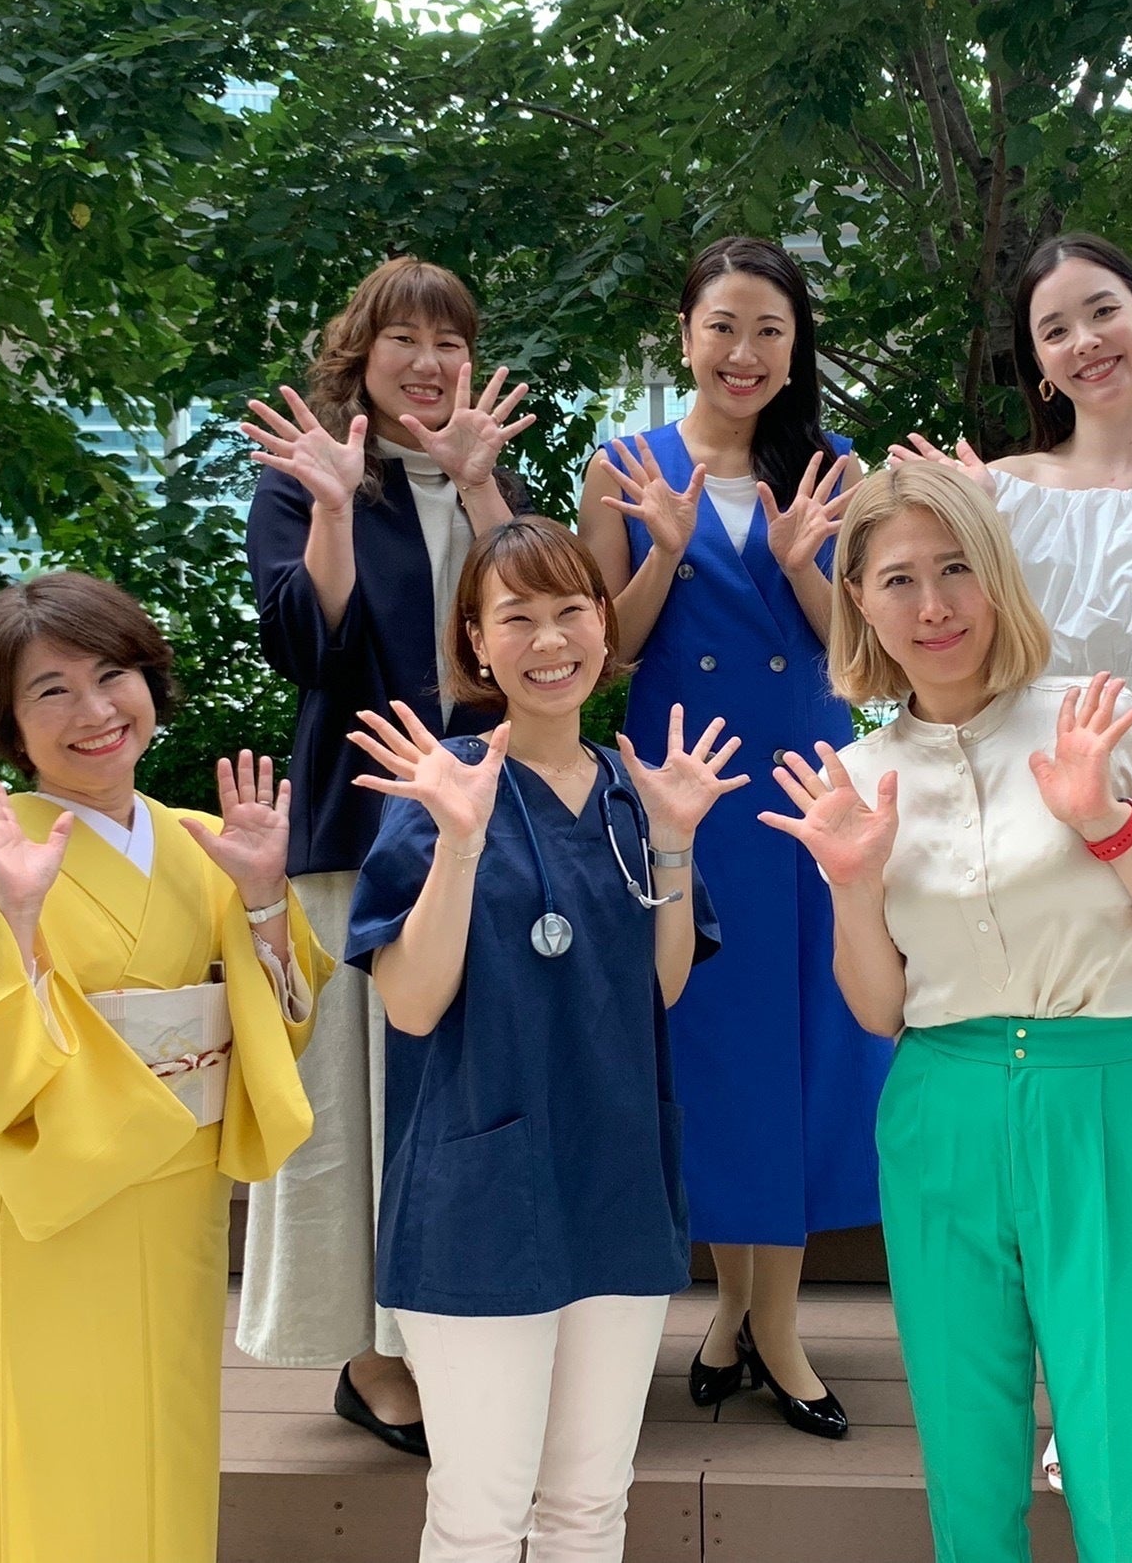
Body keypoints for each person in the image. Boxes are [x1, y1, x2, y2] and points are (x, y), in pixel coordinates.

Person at [760, 463, 1132, 1563]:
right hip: (943, 1106)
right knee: (968, 1463)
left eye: (957, 569)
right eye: (899, 580)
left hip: (1107, 1096)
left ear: (998, 575)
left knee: (1125, 1452)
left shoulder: (1098, 722)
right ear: (859, 600)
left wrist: (1108, 822)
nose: (934, 606)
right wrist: (851, 886)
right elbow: (879, 1008)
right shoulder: (859, 773)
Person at [0, 572, 329, 1563]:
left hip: (175, 1187)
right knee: (47, 1464)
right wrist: (14, 919)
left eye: (112, 675)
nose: (94, 710)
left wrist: (261, 899)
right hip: (41, 1201)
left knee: (166, 1449)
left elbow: (277, 1022)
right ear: (9, 723)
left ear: (150, 684)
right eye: (52, 690)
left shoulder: (203, 843)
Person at [892, 231, 1132, 1368]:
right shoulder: (998, 491)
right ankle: (1053, 1364)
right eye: (1054, 329)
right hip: (1032, 801)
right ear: (1036, 363)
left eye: (1102, 311)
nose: (1085, 342)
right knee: (1043, 1087)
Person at [345, 517, 737, 1563]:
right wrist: (460, 844)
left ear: (606, 626)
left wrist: (674, 842)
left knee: (589, 1508)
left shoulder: (634, 792)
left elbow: (657, 990)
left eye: (572, 610)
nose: (550, 639)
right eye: (516, 617)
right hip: (480, 1198)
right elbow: (411, 1004)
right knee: (479, 1515)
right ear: (476, 642)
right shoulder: (444, 788)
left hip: (615, 1184)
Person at [578, 234, 890, 1438]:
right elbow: (604, 651)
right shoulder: (625, 466)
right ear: (685, 334)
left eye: (769, 329)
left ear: (796, 345)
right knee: (709, 1038)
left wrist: (807, 564)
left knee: (798, 1038)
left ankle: (775, 1323)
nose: (744, 352)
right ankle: (734, 1308)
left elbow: (860, 647)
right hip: (684, 782)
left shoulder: (831, 466)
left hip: (803, 774)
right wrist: (664, 546)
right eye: (723, 326)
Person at [236, 255, 534, 1454]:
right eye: (404, 339)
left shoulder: (485, 476)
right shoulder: (309, 475)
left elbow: (543, 629)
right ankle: (372, 1358)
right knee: (354, 1106)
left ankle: (468, 1326)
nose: (429, 361)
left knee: (472, 1091)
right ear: (359, 356)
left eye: (449, 341)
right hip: (360, 826)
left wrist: (481, 487)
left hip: (491, 824)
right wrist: (327, 508)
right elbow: (309, 647)